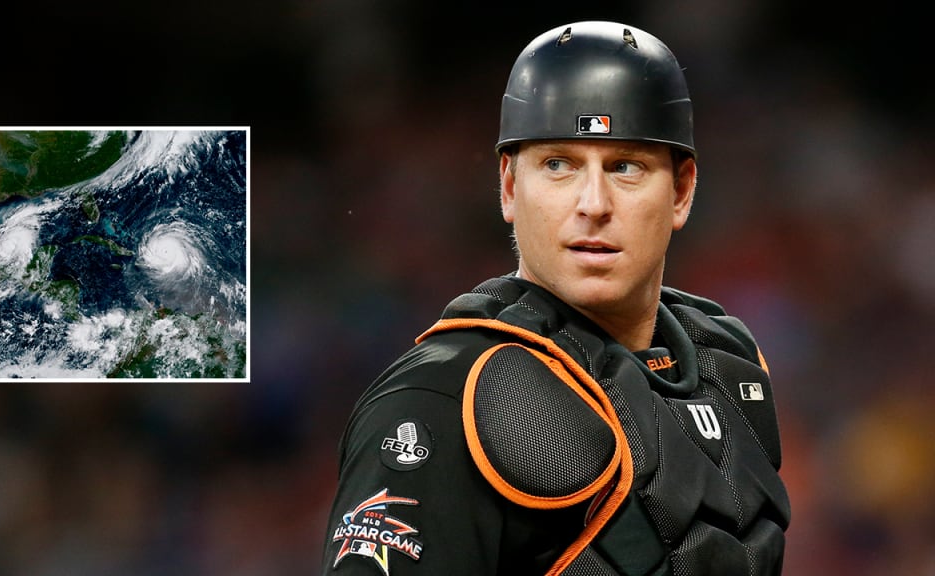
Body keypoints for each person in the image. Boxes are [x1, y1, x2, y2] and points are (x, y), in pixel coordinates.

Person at [319, 20, 791, 576]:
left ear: (682, 192)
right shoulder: (443, 398)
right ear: (509, 187)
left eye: (626, 167)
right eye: (558, 165)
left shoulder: (729, 367)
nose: (593, 203)